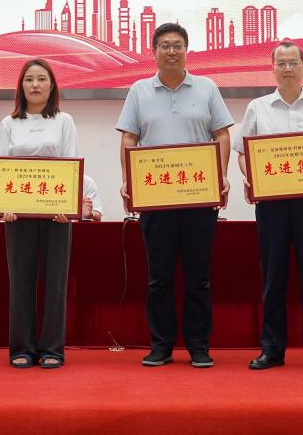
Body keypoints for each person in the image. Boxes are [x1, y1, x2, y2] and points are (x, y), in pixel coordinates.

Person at [117, 23, 233, 369]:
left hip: (199, 198)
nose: (171, 51)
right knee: (159, 277)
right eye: (165, 45)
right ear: (154, 51)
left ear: (186, 50)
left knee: (199, 277)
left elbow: (222, 134)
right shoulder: (139, 90)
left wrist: (220, 176)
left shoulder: (207, 87)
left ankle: (199, 346)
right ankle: (161, 346)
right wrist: (128, 181)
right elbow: (129, 138)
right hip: (156, 199)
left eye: (178, 45)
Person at [234, 41, 303, 372]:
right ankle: (272, 349)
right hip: (272, 205)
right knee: (273, 277)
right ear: (272, 68)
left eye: (292, 62)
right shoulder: (258, 108)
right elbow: (243, 154)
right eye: (280, 63)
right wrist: (252, 178)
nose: (287, 69)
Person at [0, 59, 80, 369]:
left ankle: (52, 349)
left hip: (56, 214)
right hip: (18, 216)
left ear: (52, 85)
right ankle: (22, 347)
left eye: (41, 79)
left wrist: (67, 207)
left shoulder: (64, 120)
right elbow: (2, 166)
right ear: (21, 86)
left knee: (56, 283)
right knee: (21, 282)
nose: (35, 85)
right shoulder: (9, 123)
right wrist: (4, 206)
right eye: (29, 79)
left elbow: (71, 163)